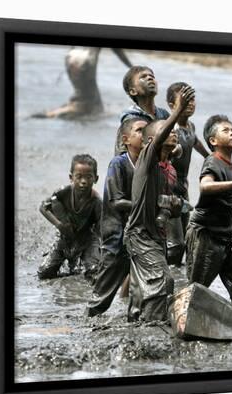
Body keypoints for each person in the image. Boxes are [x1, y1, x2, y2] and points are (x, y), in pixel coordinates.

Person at [124, 85, 195, 322]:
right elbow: (158, 139)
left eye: (174, 130)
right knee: (165, 279)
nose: (173, 132)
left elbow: (165, 203)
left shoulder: (169, 169)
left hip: (157, 233)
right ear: (153, 140)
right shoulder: (147, 159)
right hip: (141, 233)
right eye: (168, 130)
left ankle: (136, 320)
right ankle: (152, 325)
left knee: (143, 284)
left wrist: (177, 205)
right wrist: (178, 110)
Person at [86, 118, 148, 316]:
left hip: (139, 232)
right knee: (105, 288)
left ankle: (134, 316)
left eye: (147, 130)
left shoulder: (148, 163)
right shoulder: (118, 163)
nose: (144, 134)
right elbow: (116, 201)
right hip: (117, 234)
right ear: (126, 139)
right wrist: (146, 206)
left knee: (143, 284)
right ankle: (90, 317)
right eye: (139, 130)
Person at [185, 114, 232, 306]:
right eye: (226, 131)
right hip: (206, 235)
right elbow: (205, 186)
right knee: (196, 289)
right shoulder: (212, 161)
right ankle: (183, 323)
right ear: (213, 141)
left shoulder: (231, 166)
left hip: (226, 237)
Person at [165, 82, 209, 265]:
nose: (191, 103)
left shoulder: (190, 126)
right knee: (175, 244)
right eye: (185, 100)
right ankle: (161, 269)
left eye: (192, 99)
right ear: (171, 105)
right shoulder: (170, 129)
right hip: (168, 189)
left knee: (184, 238)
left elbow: (196, 142)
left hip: (183, 187)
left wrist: (211, 157)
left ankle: (177, 274)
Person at [37, 154, 102, 280]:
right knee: (44, 273)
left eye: (88, 177)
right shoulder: (63, 193)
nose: (83, 181)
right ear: (71, 178)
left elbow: (100, 229)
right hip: (64, 236)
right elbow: (43, 207)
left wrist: (99, 251)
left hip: (87, 240)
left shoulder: (97, 202)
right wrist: (59, 224)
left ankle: (83, 266)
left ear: (96, 178)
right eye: (79, 177)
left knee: (94, 272)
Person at [34, 47, 132, 119]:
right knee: (91, 103)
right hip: (86, 59)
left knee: (83, 93)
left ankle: (64, 109)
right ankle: (63, 111)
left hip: (71, 55)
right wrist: (132, 68)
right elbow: (118, 52)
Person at [116, 66, 170, 155]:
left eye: (152, 76)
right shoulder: (130, 118)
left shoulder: (164, 114)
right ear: (133, 91)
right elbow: (122, 153)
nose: (150, 78)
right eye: (143, 77)